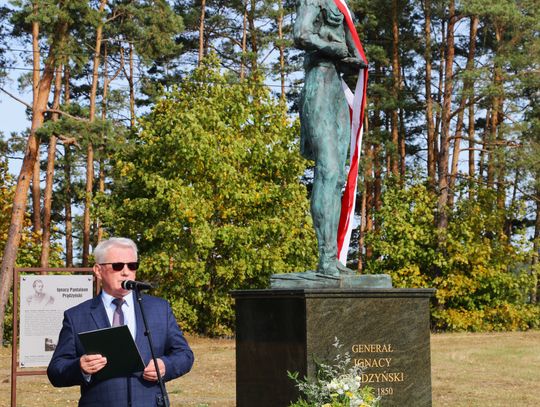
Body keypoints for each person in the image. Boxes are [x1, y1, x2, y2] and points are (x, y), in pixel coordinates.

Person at [47, 237, 194, 406]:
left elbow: (184, 355)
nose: (126, 272)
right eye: (118, 266)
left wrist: (165, 366)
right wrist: (80, 367)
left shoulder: (159, 309)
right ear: (98, 270)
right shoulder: (77, 316)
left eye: (132, 265)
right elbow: (56, 370)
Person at [294, 0, 366, 275]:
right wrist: (333, 48)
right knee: (328, 170)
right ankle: (325, 258)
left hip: (335, 84)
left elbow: (347, 47)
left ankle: (333, 257)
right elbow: (301, 34)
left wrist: (352, 58)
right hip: (319, 83)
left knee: (337, 177)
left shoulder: (342, 6)